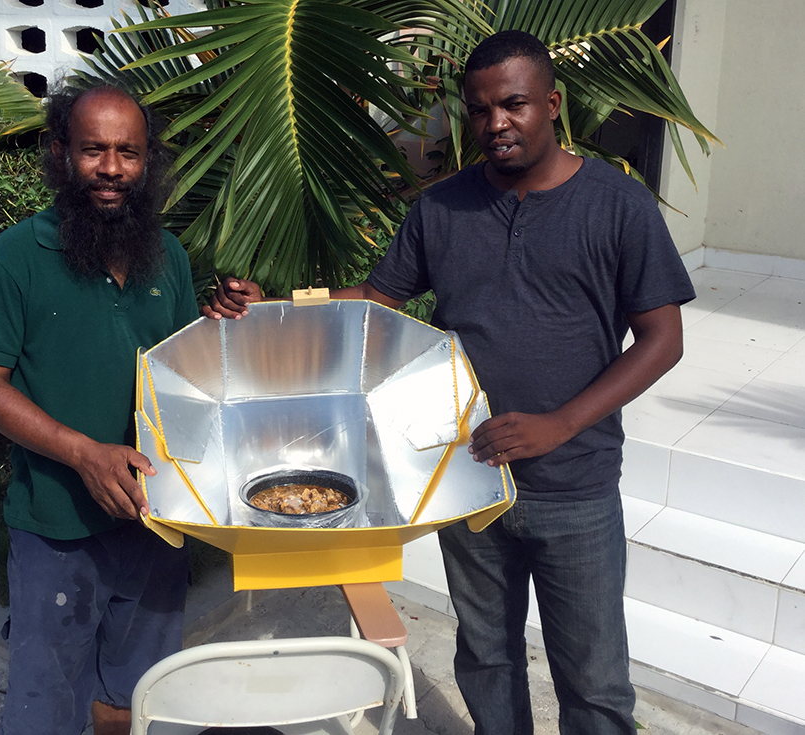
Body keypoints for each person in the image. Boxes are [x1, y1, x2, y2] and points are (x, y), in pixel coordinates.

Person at [203, 30, 695, 735]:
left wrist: (560, 422)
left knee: (593, 681)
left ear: (552, 104)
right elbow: (376, 301)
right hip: (471, 478)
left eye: (514, 104)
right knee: (487, 657)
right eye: (479, 109)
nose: (496, 123)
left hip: (575, 484)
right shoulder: (443, 208)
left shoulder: (619, 206)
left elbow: (663, 339)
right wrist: (268, 307)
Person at [0, 84, 198, 735]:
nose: (113, 168)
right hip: (55, 526)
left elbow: (185, 373)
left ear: (148, 161)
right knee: (46, 703)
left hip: (153, 519)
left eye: (128, 152)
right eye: (94, 150)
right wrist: (84, 454)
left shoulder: (167, 256)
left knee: (134, 691)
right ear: (61, 153)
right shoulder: (13, 259)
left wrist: (236, 320)